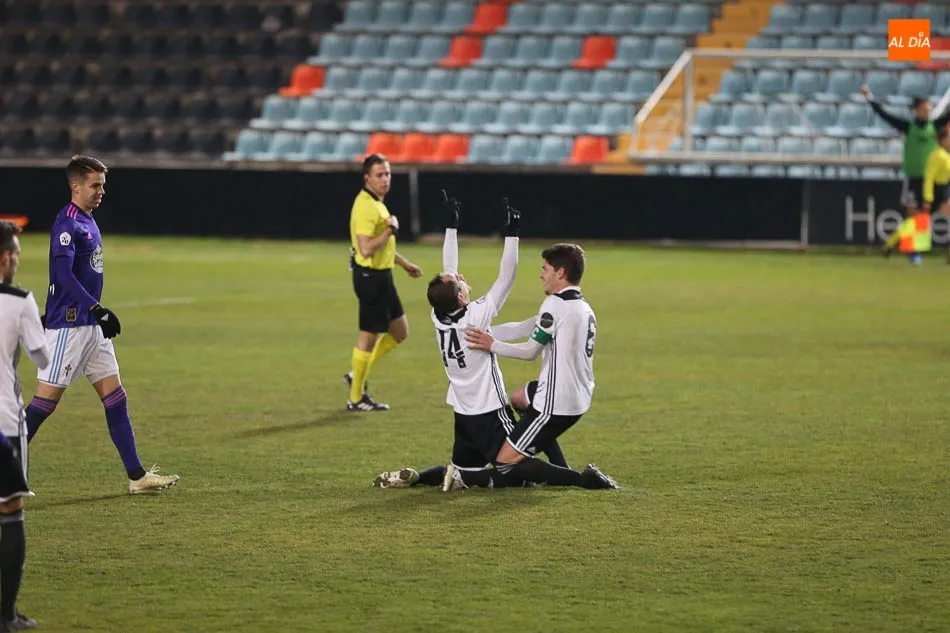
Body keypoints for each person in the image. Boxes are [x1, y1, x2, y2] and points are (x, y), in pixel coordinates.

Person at [374, 198, 611, 492]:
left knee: (463, 468)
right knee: (514, 468)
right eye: (459, 283)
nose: (461, 277)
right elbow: (506, 277)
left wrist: (451, 227)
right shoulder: (475, 314)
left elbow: (451, 271)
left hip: (462, 410)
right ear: (461, 297)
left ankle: (420, 477)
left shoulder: (440, 316)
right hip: (489, 410)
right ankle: (577, 478)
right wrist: (512, 233)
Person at [23, 155, 180, 495]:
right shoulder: (66, 224)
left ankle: (136, 477)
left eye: (103, 185)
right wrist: (96, 308)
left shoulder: (88, 220)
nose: (101, 191)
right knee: (42, 406)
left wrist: (95, 314)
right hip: (69, 327)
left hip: (91, 328)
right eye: (95, 185)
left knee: (116, 399)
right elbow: (63, 276)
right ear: (75, 186)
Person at [463, 243, 617, 491]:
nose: (541, 274)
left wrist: (491, 344)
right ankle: (555, 462)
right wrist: (486, 331)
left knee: (504, 463)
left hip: (555, 403)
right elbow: (528, 325)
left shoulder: (555, 305)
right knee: (518, 398)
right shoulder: (581, 306)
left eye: (545, 268)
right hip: (579, 394)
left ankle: (580, 479)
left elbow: (529, 352)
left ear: (560, 273)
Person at [0, 220, 50, 631]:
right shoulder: (20, 302)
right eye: (16, 252)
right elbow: (42, 359)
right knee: (10, 509)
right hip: (4, 424)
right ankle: (6, 615)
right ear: (6, 259)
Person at [345, 153, 423, 412]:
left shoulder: (377, 203)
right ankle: (355, 398)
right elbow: (366, 249)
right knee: (367, 338)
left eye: (388, 174)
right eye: (380, 175)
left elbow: (382, 246)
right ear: (367, 178)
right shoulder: (366, 206)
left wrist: (404, 264)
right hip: (370, 278)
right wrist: (391, 229)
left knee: (400, 332)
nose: (385, 179)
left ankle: (357, 374)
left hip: (383, 275)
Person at [861, 88, 950, 261]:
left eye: (929, 109)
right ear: (915, 110)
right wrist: (869, 97)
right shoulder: (909, 127)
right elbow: (885, 115)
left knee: (926, 217)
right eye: (924, 109)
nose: (928, 112)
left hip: (935, 180)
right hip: (915, 178)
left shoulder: (935, 126)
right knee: (916, 218)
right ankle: (902, 247)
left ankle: (909, 249)